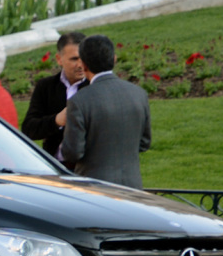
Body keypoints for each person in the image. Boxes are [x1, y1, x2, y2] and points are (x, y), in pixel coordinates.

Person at [59, 34, 152, 188]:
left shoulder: (79, 101)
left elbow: (72, 152)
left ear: (83, 64)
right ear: (114, 59)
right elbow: (144, 143)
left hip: (95, 190)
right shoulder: (139, 93)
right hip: (133, 187)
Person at [21, 31, 86, 158]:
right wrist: (56, 121)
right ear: (59, 59)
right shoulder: (46, 87)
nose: (80, 65)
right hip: (54, 165)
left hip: (87, 167)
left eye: (84, 58)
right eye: (74, 59)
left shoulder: (95, 86)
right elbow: (29, 129)